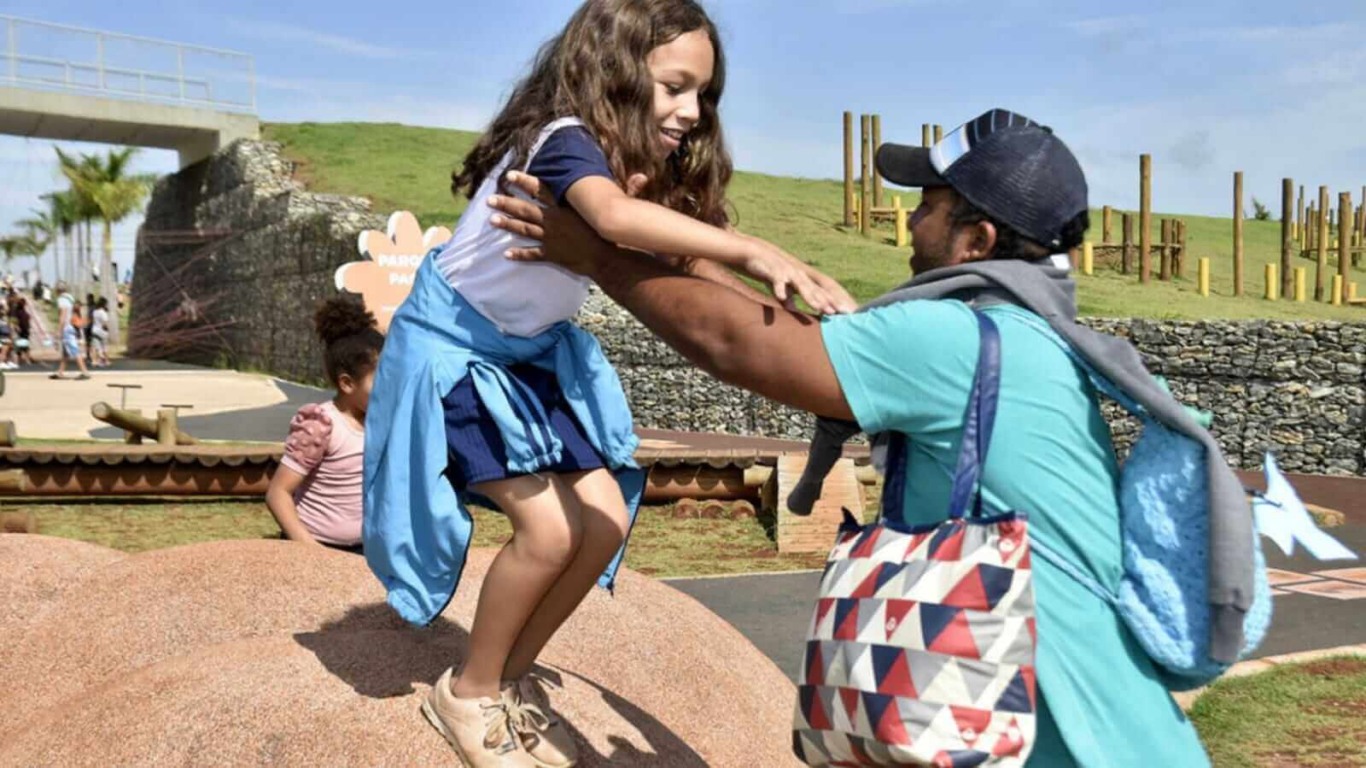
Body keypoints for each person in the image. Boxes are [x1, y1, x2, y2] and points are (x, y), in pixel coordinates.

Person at [487, 109, 1236, 767]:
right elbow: (771, 327)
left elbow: (738, 346)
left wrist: (597, 258)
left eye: (929, 207)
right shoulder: (1026, 335)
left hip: (1059, 730)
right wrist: (685, 252)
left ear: (975, 238)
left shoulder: (957, 338)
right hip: (1072, 714)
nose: (910, 222)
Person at [365, 2, 855, 765]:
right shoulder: (564, 143)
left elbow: (687, 264)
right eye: (675, 87)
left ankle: (505, 680)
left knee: (603, 522)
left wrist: (801, 306)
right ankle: (464, 692)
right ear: (616, 73)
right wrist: (753, 247)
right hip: (456, 354)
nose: (692, 112)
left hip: (524, 359)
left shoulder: (626, 168)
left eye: (705, 95)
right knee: (550, 530)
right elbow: (614, 221)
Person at [266, 298, 383, 553]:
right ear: (347, 383)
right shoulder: (322, 425)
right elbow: (278, 493)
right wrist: (310, 550)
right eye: (382, 381)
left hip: (367, 550)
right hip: (317, 548)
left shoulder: (385, 422)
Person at [51, 283, 90, 381]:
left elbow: (63, 316)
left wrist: (59, 330)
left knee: (74, 349)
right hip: (72, 326)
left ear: (57, 291)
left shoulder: (61, 300)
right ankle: (60, 372)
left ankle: (84, 371)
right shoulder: (70, 298)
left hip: (67, 328)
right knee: (65, 352)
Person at [90, 297, 111, 367]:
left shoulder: (94, 312)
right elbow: (105, 324)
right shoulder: (103, 313)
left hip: (95, 330)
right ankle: (106, 361)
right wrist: (107, 329)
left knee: (96, 347)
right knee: (104, 346)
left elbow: (93, 321)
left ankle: (95, 361)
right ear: (104, 304)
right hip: (102, 331)